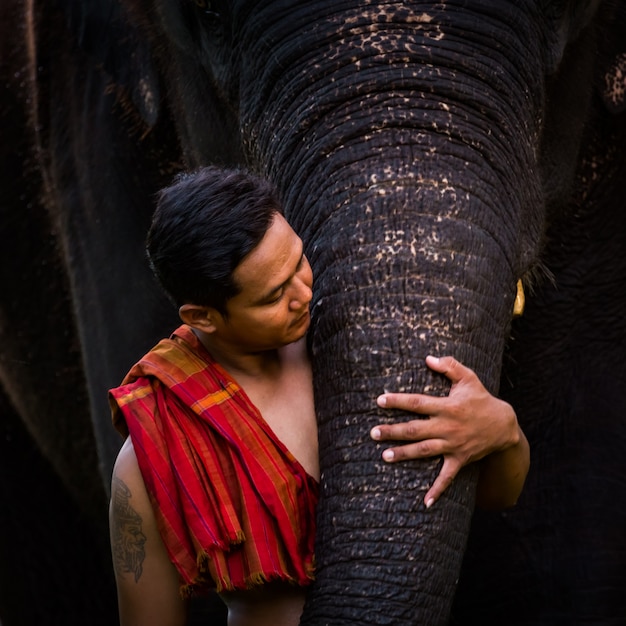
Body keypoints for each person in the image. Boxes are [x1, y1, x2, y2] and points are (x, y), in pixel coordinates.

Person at [108, 166, 529, 626]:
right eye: (273, 297)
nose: (305, 293)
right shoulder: (158, 446)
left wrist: (502, 431)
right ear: (202, 316)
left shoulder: (356, 342)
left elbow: (498, 496)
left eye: (299, 262)